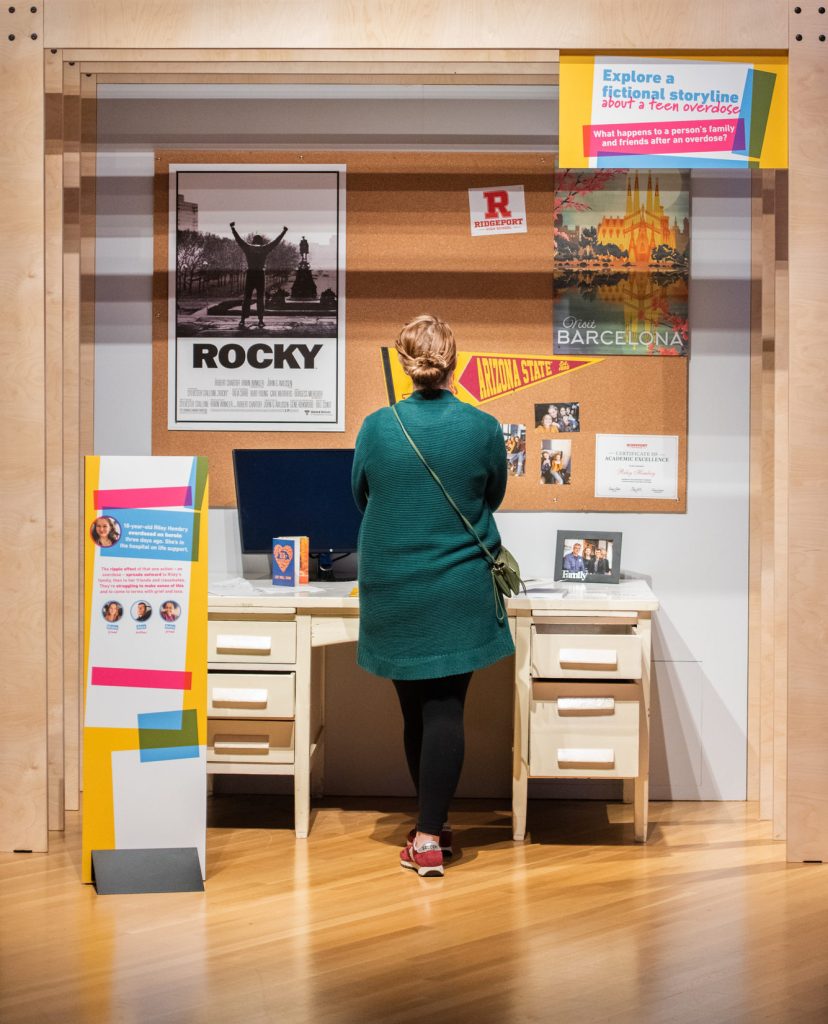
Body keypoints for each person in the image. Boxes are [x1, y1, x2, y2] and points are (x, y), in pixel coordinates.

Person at [352, 313, 514, 879]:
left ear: (404, 361)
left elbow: (361, 494)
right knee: (447, 707)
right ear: (455, 361)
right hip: (456, 584)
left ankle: (431, 826)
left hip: (393, 586)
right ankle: (430, 831)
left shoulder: (376, 427)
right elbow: (492, 494)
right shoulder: (484, 426)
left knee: (414, 710)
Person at [230, 221, 288, 329]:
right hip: (260, 274)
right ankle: (260, 320)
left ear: (253, 241)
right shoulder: (264, 248)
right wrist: (284, 232)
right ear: (261, 242)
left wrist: (233, 228)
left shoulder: (248, 248)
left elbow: (238, 239)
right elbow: (276, 242)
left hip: (251, 273)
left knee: (247, 297)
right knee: (260, 298)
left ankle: (242, 320)